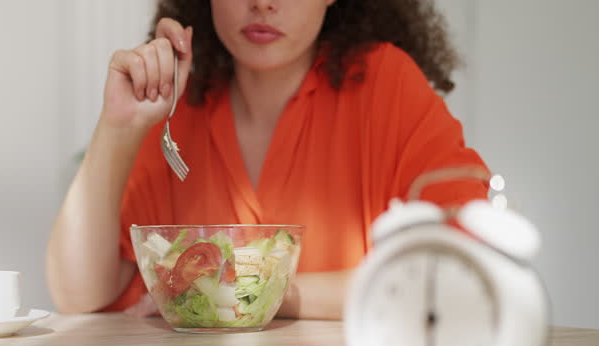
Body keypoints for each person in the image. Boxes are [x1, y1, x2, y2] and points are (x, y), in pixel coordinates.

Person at [46, 0, 489, 319]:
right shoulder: (178, 111)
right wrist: (119, 127)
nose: (262, 4)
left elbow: (464, 265)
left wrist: (274, 293)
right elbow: (76, 293)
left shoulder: (387, 85)